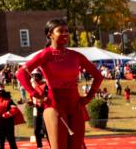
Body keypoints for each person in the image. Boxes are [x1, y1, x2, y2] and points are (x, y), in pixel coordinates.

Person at [16, 18, 103, 149]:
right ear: (50, 34)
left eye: (67, 31)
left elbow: (98, 76)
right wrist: (36, 94)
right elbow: (20, 74)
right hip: (54, 106)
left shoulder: (75, 55)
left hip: (75, 107)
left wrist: (88, 98)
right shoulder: (45, 54)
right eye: (60, 31)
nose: (65, 34)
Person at [30, 68, 48, 149]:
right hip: (36, 109)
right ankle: (39, 146)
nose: (34, 77)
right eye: (33, 75)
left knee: (46, 129)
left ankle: (52, 144)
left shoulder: (45, 85)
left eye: (37, 75)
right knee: (36, 129)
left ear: (40, 76)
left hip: (45, 108)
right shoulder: (32, 86)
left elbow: (44, 96)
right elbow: (32, 97)